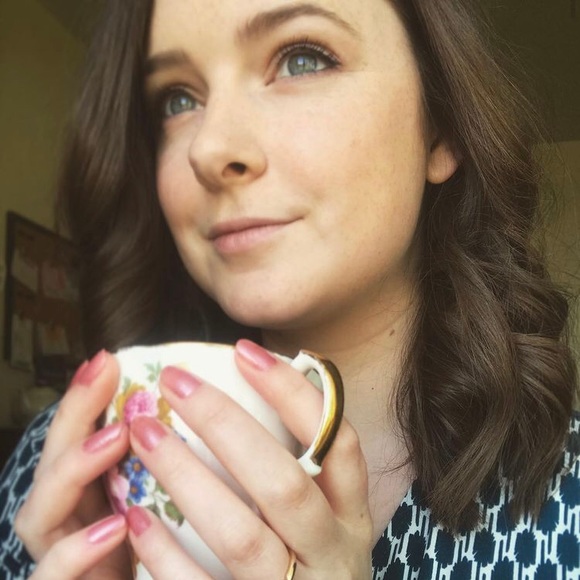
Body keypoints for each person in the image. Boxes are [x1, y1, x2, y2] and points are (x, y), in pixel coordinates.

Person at [0, 0, 578, 577]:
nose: (209, 149)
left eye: (303, 59)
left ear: (441, 128)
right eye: (177, 99)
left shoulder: (564, 505)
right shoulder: (52, 478)